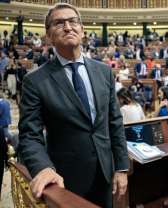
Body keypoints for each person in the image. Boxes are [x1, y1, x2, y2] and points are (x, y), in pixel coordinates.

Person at [18, 4, 129, 208]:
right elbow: (29, 135)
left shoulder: (104, 72)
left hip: (105, 174)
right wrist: (42, 168)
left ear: (82, 29)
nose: (68, 27)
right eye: (59, 23)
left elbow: (114, 121)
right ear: (49, 35)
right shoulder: (35, 80)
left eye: (73, 21)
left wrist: (121, 167)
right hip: (64, 179)